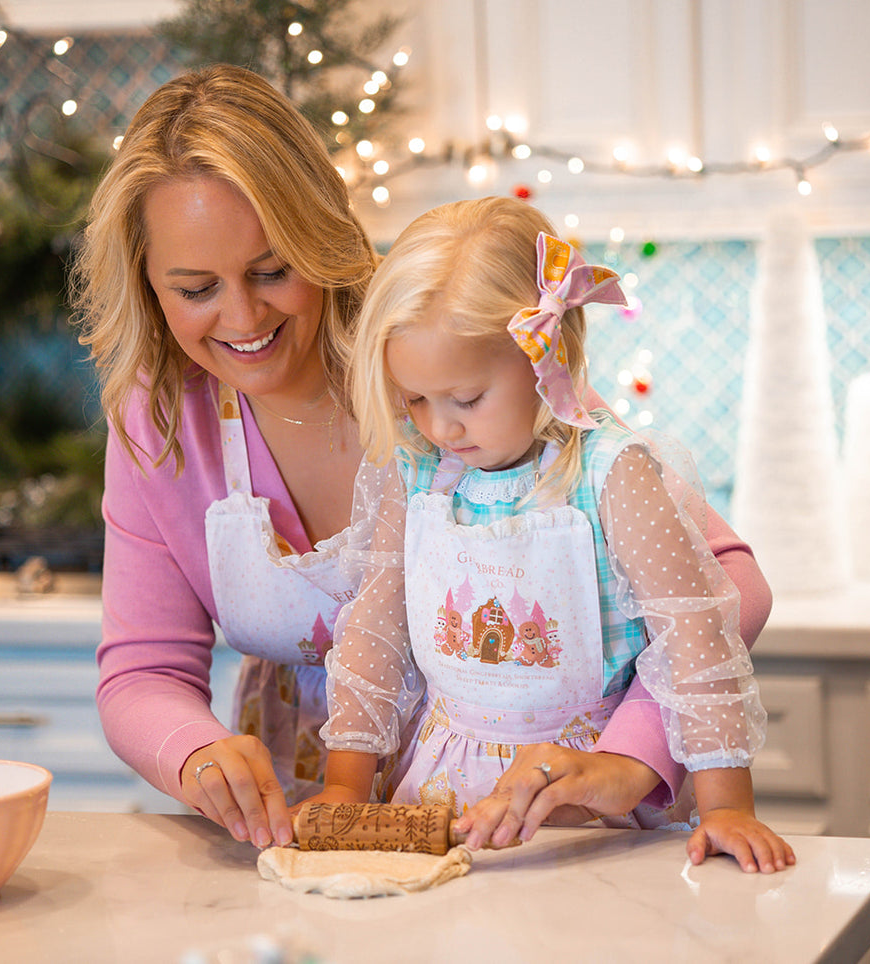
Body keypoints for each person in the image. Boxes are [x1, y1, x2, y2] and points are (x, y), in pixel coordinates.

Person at [71, 64, 775, 855]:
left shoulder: (432, 348)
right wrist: (193, 752)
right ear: (147, 285)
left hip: (536, 817)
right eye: (195, 288)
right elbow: (141, 673)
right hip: (298, 816)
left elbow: (726, 588)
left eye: (272, 271)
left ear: (318, 234)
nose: (242, 316)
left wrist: (628, 759)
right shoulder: (161, 417)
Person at [317, 196, 794, 871]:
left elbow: (696, 642)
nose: (440, 428)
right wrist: (346, 785)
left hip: (587, 815)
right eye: (415, 400)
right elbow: (374, 631)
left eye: (467, 399)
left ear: (547, 358)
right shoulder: (414, 474)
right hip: (434, 799)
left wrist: (725, 807)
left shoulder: (613, 474)